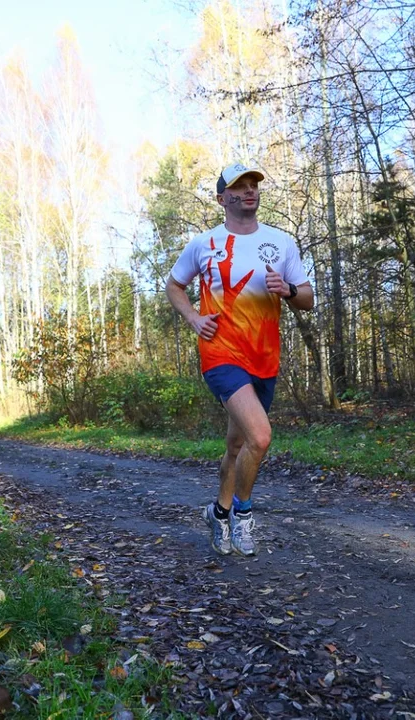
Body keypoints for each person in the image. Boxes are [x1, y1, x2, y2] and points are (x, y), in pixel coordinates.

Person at [166, 163, 314, 556]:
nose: (249, 191)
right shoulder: (204, 244)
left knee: (236, 445)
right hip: (220, 352)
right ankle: (243, 515)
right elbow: (174, 285)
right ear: (221, 199)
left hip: (263, 357)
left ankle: (218, 511)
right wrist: (194, 318)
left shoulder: (281, 242)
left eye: (253, 186)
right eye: (239, 187)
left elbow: (308, 299)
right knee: (260, 436)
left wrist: (289, 291)